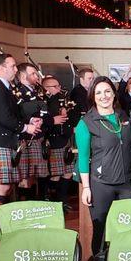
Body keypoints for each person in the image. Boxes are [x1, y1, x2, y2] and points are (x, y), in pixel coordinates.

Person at [0, 54, 41, 237]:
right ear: (2, 68)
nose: (15, 69)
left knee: (8, 185)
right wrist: (25, 127)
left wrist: (29, 120)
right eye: (12, 66)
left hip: (4, 142)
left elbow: (13, 112)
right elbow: (3, 117)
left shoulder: (5, 87)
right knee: (3, 185)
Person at [75, 76, 131, 255]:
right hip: (101, 185)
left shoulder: (123, 116)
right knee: (100, 233)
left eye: (107, 91)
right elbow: (83, 158)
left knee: (128, 231)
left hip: (125, 184)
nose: (104, 96)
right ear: (93, 96)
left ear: (114, 94)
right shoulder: (85, 123)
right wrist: (86, 187)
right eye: (98, 92)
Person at [15, 62, 51, 200]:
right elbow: (17, 114)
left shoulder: (37, 91)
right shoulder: (17, 92)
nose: (37, 76)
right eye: (33, 74)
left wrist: (41, 119)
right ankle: (26, 206)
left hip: (39, 136)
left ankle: (40, 204)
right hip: (25, 137)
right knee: (26, 176)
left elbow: (45, 111)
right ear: (23, 75)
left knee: (40, 173)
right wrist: (30, 120)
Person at [41, 76, 74, 209]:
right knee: (55, 174)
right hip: (52, 140)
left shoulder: (63, 100)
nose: (59, 89)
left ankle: (62, 199)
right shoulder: (43, 103)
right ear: (46, 89)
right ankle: (52, 200)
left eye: (59, 86)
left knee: (68, 171)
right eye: (55, 87)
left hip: (65, 138)